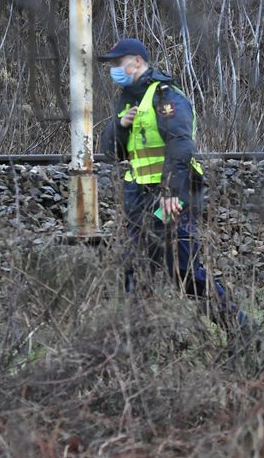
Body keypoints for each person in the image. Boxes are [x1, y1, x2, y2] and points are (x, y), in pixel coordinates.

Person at [97, 37, 247, 338]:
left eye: (118, 62)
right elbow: (113, 154)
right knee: (135, 272)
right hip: (138, 199)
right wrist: (119, 126)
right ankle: (136, 349)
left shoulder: (166, 96)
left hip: (168, 200)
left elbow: (181, 146)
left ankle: (243, 331)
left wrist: (169, 193)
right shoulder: (128, 100)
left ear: (137, 61)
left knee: (184, 272)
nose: (114, 68)